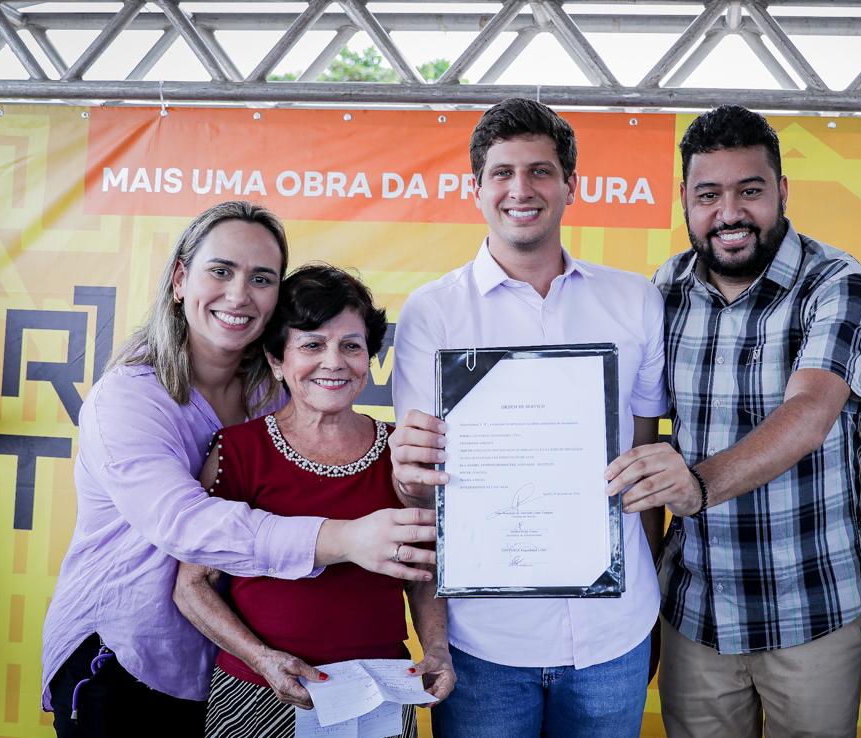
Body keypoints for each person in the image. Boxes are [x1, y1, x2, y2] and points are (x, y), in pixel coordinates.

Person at [42, 202, 438, 737]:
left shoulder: (273, 396)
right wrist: (345, 539)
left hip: (221, 670)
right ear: (180, 279)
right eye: (221, 271)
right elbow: (186, 527)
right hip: (125, 655)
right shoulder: (127, 400)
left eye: (261, 278)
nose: (238, 295)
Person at [388, 97, 667, 737]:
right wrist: (405, 471)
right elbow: (418, 487)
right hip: (485, 642)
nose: (522, 189)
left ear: (571, 185)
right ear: (476, 189)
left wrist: (642, 594)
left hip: (613, 635)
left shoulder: (635, 301)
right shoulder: (433, 313)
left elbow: (644, 466)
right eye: (503, 173)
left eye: (541, 171)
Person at [603, 105, 861, 738]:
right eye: (709, 195)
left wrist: (697, 486)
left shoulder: (836, 281)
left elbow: (811, 413)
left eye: (749, 191)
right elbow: (638, 438)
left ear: (782, 191)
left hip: (810, 607)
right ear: (685, 200)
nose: (729, 213)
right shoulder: (662, 289)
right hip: (695, 612)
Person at [174, 264, 454, 738]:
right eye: (311, 345)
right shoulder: (239, 450)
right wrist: (262, 660)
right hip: (258, 693)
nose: (334, 362)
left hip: (381, 694)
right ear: (276, 360)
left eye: (351, 346)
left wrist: (437, 649)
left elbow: (422, 572)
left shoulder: (401, 451)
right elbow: (192, 586)